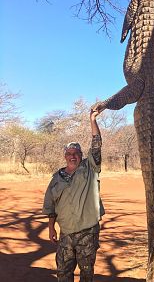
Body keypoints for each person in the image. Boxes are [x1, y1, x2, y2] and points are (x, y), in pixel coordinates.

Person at [43, 108, 105, 282]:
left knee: (86, 275)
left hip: (87, 233)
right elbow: (51, 206)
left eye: (76, 153)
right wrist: (51, 228)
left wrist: (93, 120)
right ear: (65, 156)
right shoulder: (57, 178)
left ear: (81, 155)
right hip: (66, 234)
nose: (72, 156)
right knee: (63, 273)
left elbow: (97, 145)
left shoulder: (90, 168)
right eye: (69, 154)